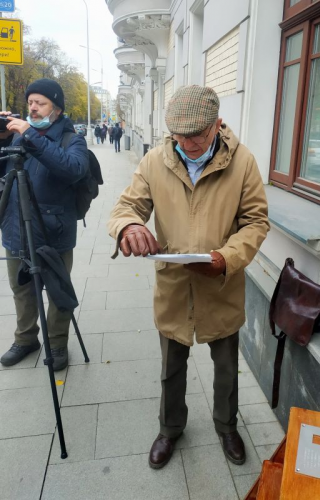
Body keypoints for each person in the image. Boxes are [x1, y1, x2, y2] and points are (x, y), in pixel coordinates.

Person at [108, 85, 270, 469]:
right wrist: (128, 226)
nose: (187, 142)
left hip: (221, 285)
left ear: (217, 125)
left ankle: (227, 426)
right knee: (170, 368)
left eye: (197, 133)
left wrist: (225, 258)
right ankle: (169, 429)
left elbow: (255, 221)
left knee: (227, 368)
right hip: (175, 286)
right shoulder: (155, 161)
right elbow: (126, 206)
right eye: (179, 134)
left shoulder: (242, 162)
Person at [0, 78, 89, 371]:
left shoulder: (71, 139)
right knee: (21, 290)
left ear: (57, 108)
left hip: (54, 232)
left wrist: (31, 137)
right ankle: (26, 339)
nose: (33, 108)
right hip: (16, 230)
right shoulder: (17, 136)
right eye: (30, 103)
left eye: (41, 103)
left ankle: (57, 344)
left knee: (58, 291)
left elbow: (73, 169)